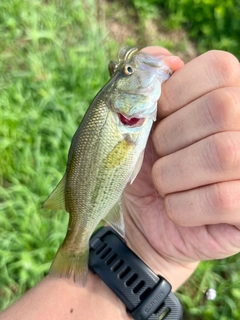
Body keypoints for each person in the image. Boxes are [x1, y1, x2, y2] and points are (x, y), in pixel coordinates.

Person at [1, 46, 240, 320]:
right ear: (121, 105)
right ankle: (74, 247)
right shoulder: (119, 118)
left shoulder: (127, 121)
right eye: (129, 71)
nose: (134, 71)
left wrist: (149, 253)